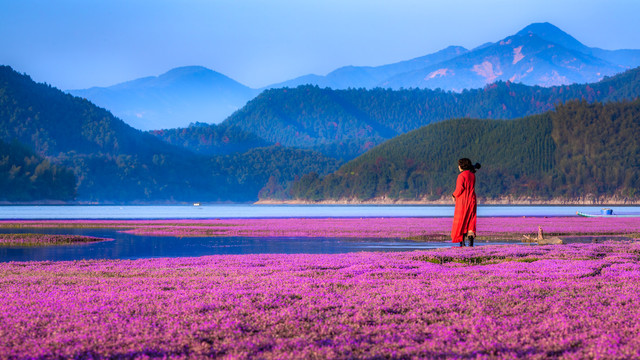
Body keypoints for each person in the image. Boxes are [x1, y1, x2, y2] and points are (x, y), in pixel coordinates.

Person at [451, 158, 481, 247]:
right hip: (472, 199)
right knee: (471, 219)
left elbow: (460, 189)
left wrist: (453, 195)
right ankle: (471, 243)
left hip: (463, 201)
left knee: (462, 220)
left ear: (461, 166)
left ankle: (462, 243)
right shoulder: (472, 175)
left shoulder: (461, 176)